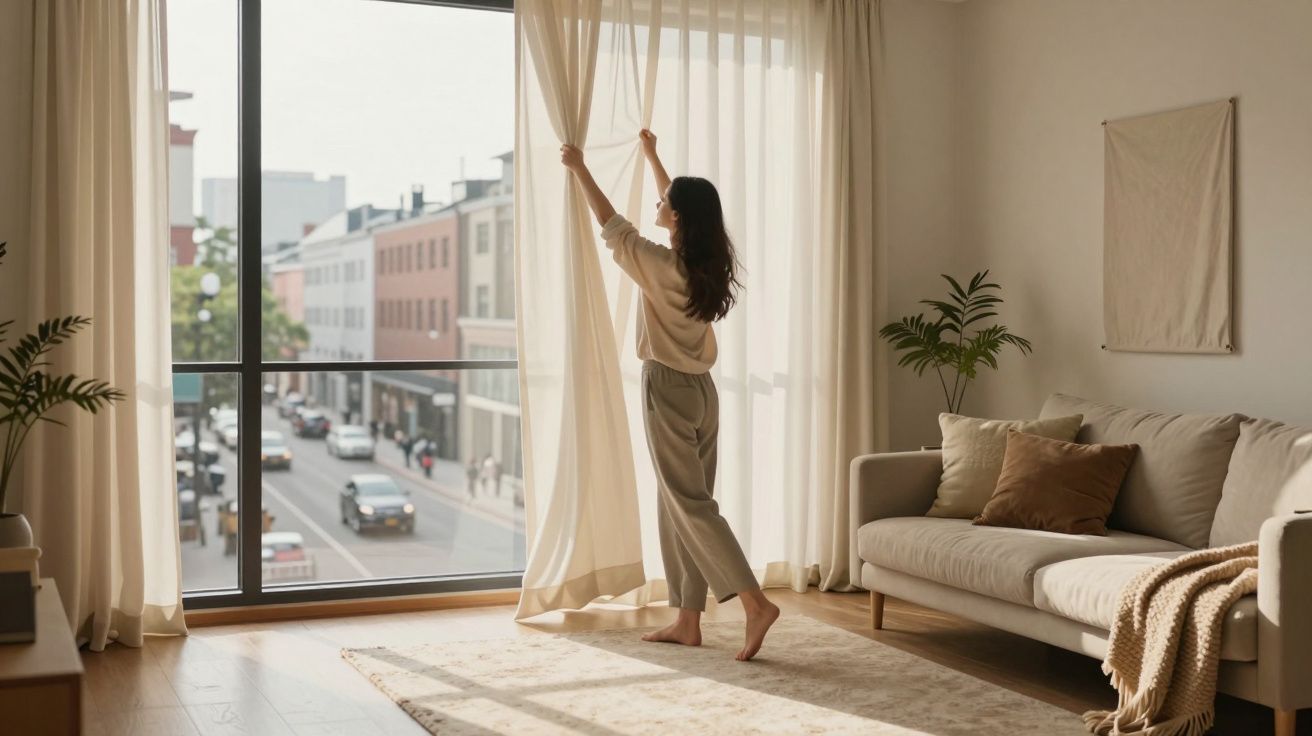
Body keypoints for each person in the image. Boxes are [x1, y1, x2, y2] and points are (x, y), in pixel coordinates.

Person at [559, 129, 778, 661]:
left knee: (691, 506)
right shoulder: (706, 264)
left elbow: (613, 227)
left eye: (664, 203)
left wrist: (579, 167)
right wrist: (655, 158)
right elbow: (679, 203)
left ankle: (753, 602)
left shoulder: (659, 266)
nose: (659, 203)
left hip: (668, 389)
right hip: (703, 393)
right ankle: (687, 620)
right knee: (677, 504)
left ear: (677, 218)